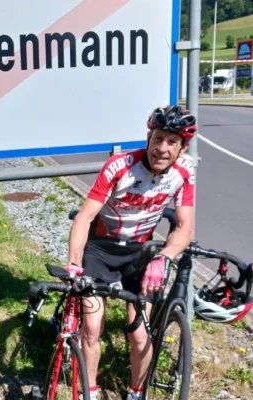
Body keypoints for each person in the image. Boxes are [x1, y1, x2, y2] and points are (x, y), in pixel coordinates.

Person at [65, 105, 196, 400]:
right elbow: (84, 217)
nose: (162, 149)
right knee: (92, 325)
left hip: (141, 253)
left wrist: (163, 257)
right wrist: (74, 264)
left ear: (183, 147)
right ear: (148, 137)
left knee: (139, 334)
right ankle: (91, 391)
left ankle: (137, 393)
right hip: (101, 249)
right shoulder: (119, 165)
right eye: (158, 138)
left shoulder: (184, 172)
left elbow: (185, 228)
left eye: (172, 142)